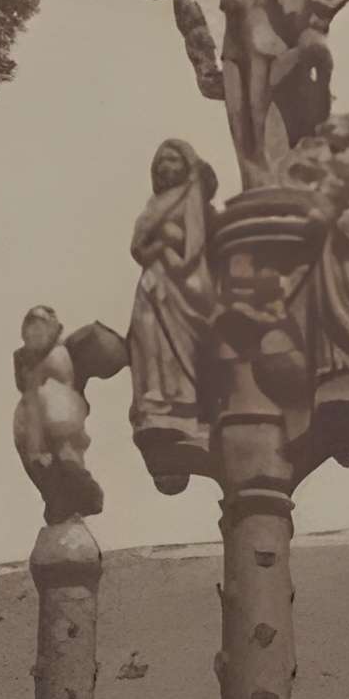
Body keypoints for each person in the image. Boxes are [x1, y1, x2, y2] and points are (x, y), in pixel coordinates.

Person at [127, 139, 219, 490]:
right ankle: (157, 402)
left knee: (182, 346)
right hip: (153, 282)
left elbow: (195, 246)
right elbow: (137, 246)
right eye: (160, 160)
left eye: (173, 159)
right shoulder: (156, 203)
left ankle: (185, 405)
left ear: (186, 165)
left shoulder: (191, 197)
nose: (165, 166)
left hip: (185, 282)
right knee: (147, 339)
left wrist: (171, 254)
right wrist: (160, 248)